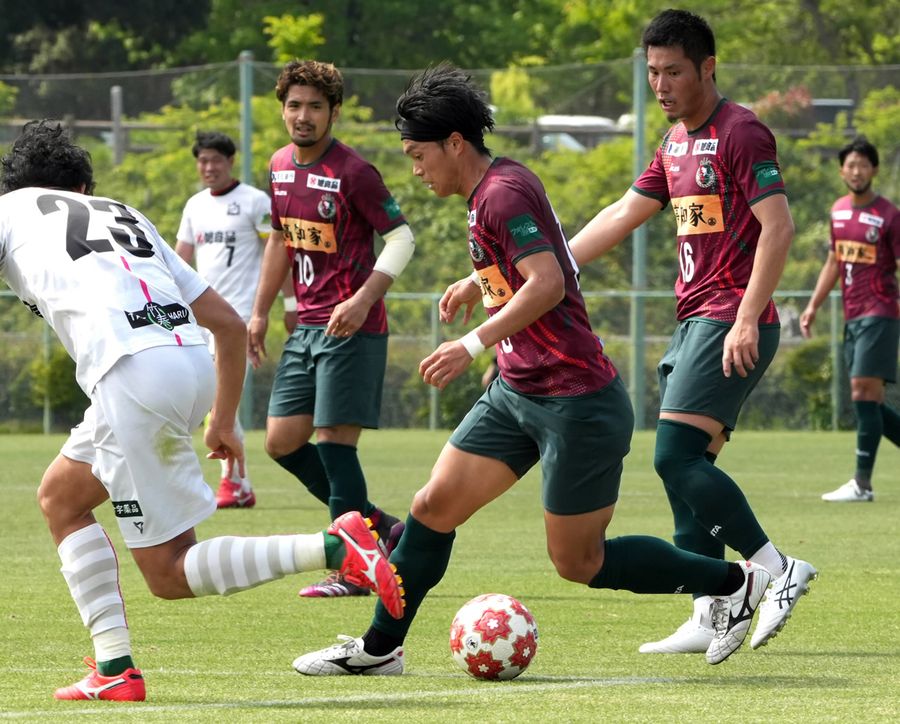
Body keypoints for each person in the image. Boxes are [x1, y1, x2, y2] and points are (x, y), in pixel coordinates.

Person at [292, 63, 783, 677]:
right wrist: (479, 286)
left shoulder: (503, 192)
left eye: (419, 155)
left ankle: (734, 582)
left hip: (578, 402)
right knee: (431, 506)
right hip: (515, 392)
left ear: (454, 144)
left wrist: (470, 344)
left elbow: (547, 284)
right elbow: (531, 271)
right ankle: (380, 647)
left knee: (578, 563)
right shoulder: (484, 195)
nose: (415, 170)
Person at [0, 119, 404, 702]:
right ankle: (114, 666)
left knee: (168, 572)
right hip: (188, 361)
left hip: (131, 373)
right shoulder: (122, 213)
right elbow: (229, 325)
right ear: (83, 186)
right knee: (61, 499)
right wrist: (221, 418)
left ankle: (337, 548)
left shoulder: (12, 209)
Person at [565, 9, 818, 656]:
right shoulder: (675, 143)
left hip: (729, 316)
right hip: (693, 319)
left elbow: (778, 227)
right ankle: (712, 609)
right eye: (652, 72)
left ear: (707, 67)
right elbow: (626, 211)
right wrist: (550, 264)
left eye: (672, 71)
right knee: (686, 466)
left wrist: (743, 317)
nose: (661, 84)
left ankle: (772, 567)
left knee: (671, 456)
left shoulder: (740, 131)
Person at [248, 60, 415, 600]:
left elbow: (402, 239)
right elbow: (278, 240)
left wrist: (365, 298)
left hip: (351, 328)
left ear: (333, 112)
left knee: (335, 444)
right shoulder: (277, 165)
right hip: (305, 330)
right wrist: (259, 312)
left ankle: (351, 567)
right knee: (280, 441)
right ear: (283, 110)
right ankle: (377, 528)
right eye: (294, 105)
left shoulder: (354, 172)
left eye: (315, 106)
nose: (303, 116)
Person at [175, 130, 295, 509]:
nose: (209, 167)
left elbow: (277, 252)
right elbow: (179, 259)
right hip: (201, 318)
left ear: (230, 162)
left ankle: (236, 482)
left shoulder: (255, 202)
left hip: (239, 316)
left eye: (216, 160)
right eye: (202, 160)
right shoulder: (194, 206)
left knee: (217, 395)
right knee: (207, 396)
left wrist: (291, 304)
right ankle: (231, 480)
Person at [800, 136, 900, 502]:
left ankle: (862, 484)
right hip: (853, 316)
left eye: (863, 164)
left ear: (874, 169)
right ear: (842, 170)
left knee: (862, 391)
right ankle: (861, 483)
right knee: (868, 401)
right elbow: (833, 262)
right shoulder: (838, 211)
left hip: (882, 313)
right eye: (850, 165)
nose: (856, 171)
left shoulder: (889, 216)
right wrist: (813, 305)